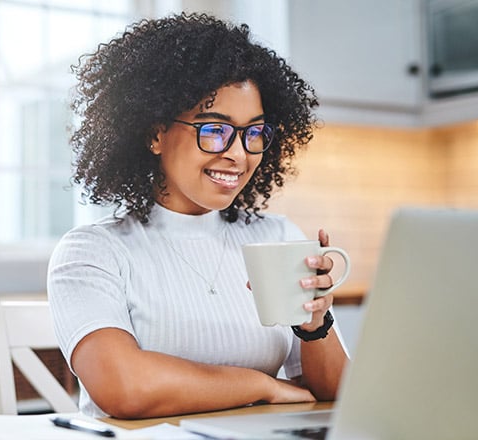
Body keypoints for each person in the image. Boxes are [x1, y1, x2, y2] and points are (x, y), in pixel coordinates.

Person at [47, 12, 348, 419]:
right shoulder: (93, 251)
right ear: (155, 134)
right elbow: (125, 388)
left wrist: (314, 324)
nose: (239, 154)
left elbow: (334, 394)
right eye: (214, 130)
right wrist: (262, 386)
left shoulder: (278, 237)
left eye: (254, 133)